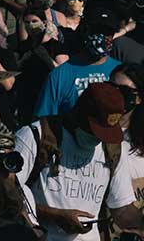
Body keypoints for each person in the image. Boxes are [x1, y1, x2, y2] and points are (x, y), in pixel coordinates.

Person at [14, 83, 139, 241]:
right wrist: (55, 215)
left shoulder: (113, 149)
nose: (98, 140)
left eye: (105, 134)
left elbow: (121, 208)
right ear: (79, 115)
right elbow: (6, 196)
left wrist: (140, 224)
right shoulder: (38, 135)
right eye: (95, 133)